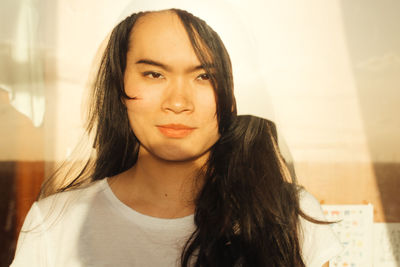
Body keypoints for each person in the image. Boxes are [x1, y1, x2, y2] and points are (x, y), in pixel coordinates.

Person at [11, 8, 342, 267]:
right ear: (120, 86)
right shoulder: (56, 224)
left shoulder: (288, 215)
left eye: (204, 76)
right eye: (154, 74)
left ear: (234, 92)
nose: (178, 103)